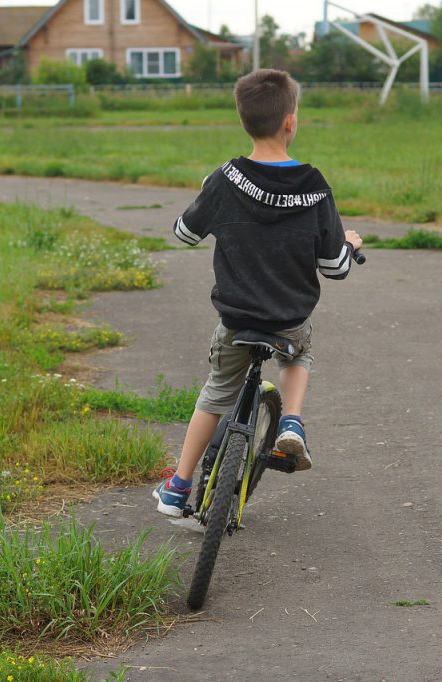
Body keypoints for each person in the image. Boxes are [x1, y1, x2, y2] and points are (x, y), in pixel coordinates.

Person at [153, 68, 363, 517]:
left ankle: (177, 487)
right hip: (288, 317)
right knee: (299, 352)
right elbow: (335, 267)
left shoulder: (225, 178)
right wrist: (350, 243)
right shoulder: (314, 185)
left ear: (243, 119)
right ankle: (291, 421)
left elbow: (185, 234)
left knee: (215, 394)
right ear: (290, 121)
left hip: (237, 318)